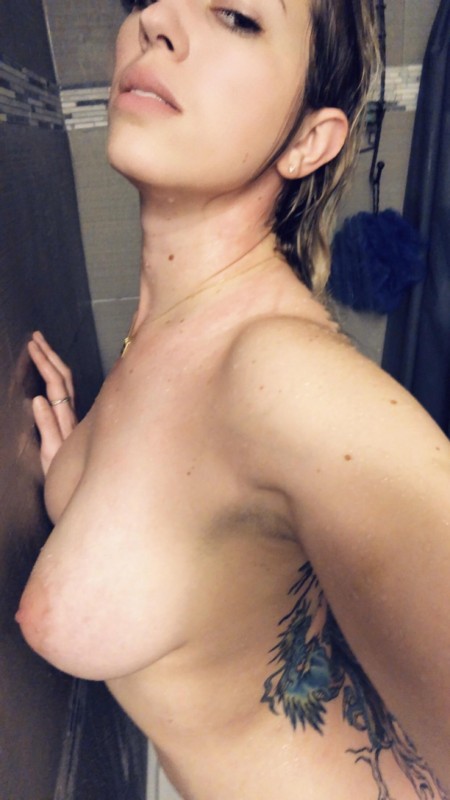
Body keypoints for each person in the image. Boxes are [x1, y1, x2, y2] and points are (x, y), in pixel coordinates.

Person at [16, 1, 450, 798]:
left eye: (238, 17)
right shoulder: (171, 331)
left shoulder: (288, 380)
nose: (158, 21)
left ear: (308, 140)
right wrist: (81, 476)